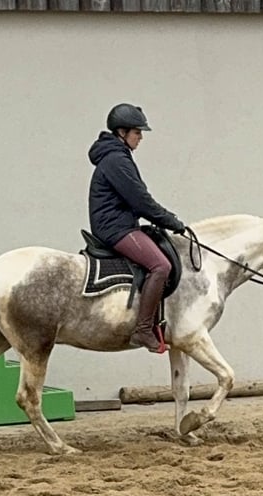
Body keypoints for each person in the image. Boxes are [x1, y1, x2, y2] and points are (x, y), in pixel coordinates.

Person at [87, 103, 186, 353]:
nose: (140, 137)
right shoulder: (116, 160)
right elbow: (140, 200)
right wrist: (171, 221)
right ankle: (143, 330)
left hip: (121, 223)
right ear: (122, 132)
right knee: (160, 266)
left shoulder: (118, 156)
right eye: (137, 132)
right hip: (115, 228)